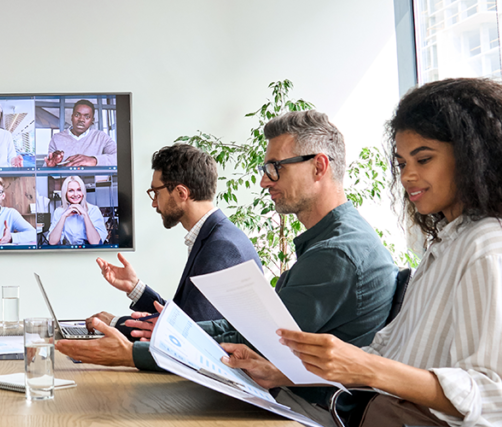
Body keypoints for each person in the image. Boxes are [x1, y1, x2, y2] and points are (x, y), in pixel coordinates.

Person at [56, 110, 397, 425]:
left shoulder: (336, 253)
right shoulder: (329, 242)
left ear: (319, 167)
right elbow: (242, 328)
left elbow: (256, 342)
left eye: (275, 167)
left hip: (306, 409)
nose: (265, 181)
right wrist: (159, 330)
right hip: (288, 394)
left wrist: (134, 354)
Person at [222, 78, 502, 427]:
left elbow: (497, 398)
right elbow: (386, 355)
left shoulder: (489, 247)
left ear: (472, 157)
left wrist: (366, 367)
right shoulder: (445, 245)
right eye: (403, 164)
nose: (408, 177)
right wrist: (282, 373)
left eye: (423, 159)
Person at [79, 144, 261, 340]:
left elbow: (188, 334)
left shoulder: (221, 246)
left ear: (182, 193)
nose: (154, 203)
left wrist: (114, 324)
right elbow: (184, 318)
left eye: (156, 192)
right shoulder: (214, 235)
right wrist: (135, 287)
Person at [44, 100, 117, 167]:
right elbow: (48, 165)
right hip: (65, 181)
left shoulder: (101, 137)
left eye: (87, 116)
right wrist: (51, 167)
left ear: (92, 120)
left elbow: (119, 158)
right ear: (72, 117)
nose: (81, 119)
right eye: (77, 115)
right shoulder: (57, 138)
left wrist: (94, 160)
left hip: (93, 181)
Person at [46, 175, 107, 245]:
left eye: (79, 190)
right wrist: (64, 216)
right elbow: (52, 242)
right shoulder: (59, 211)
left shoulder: (93, 210)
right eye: (71, 190)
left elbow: (95, 242)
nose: (75, 194)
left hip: (89, 252)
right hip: (67, 252)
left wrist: (85, 215)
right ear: (65, 193)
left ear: (83, 192)